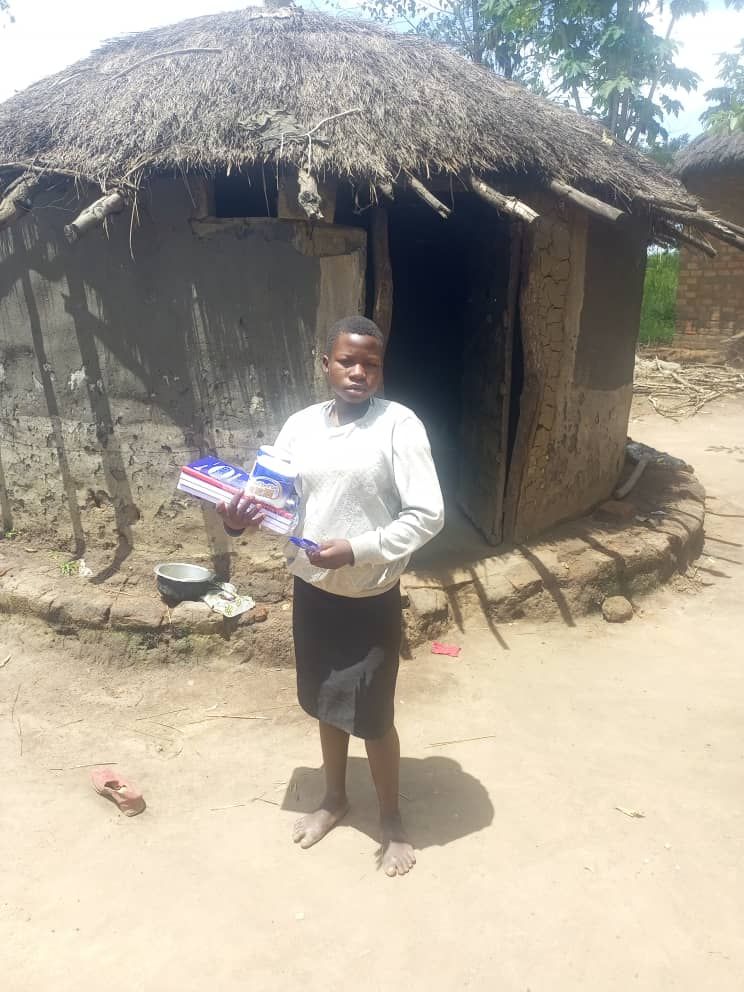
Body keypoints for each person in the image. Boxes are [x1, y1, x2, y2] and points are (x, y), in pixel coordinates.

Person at [217, 315, 444, 877]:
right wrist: (239, 518)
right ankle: (335, 798)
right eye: (348, 360)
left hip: (369, 591)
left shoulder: (400, 426)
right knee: (323, 700)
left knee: (373, 713)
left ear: (381, 370)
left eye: (371, 363)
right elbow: (275, 499)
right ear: (326, 364)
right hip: (312, 588)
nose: (359, 372)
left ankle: (391, 818)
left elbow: (427, 515)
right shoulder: (299, 428)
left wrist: (360, 548)